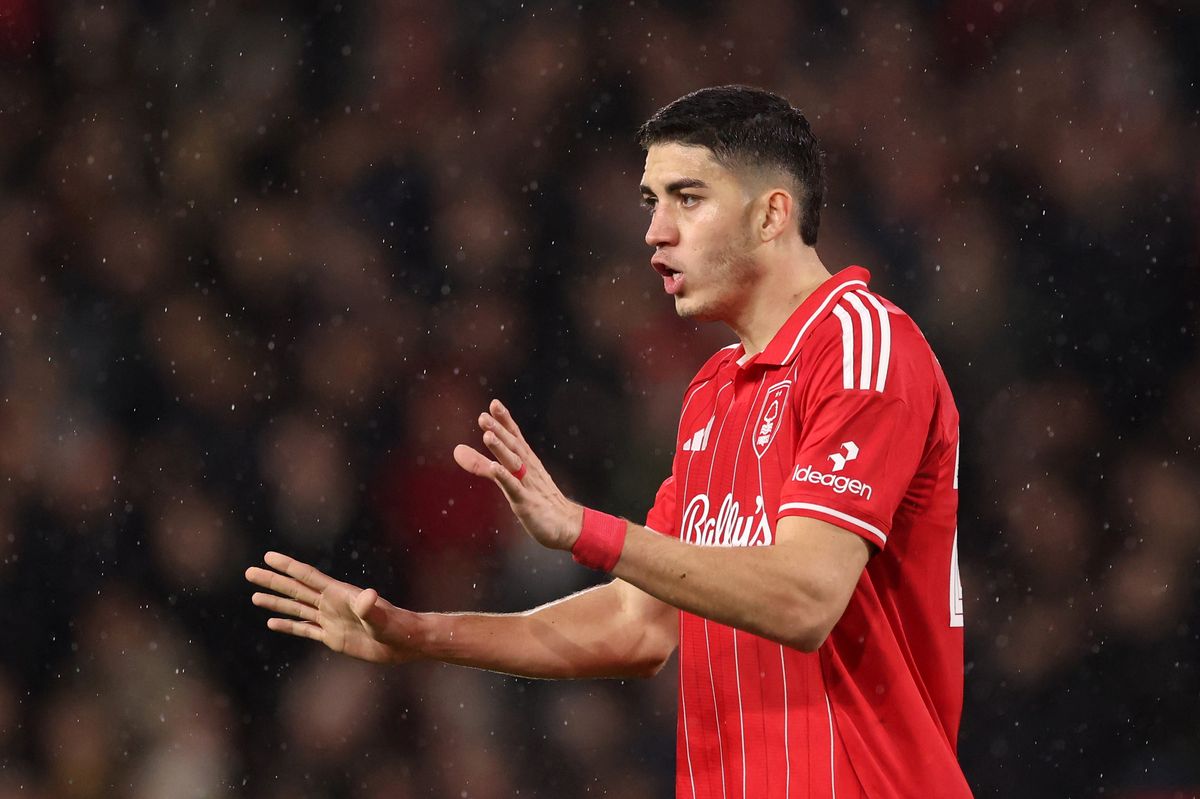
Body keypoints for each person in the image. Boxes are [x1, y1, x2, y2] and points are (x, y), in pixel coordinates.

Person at [246, 85, 972, 798]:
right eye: (652, 202)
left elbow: (805, 599)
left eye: (688, 198)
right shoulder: (713, 393)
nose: (656, 232)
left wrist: (584, 530)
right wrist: (422, 635)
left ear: (771, 214)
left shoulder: (863, 348)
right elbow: (637, 624)